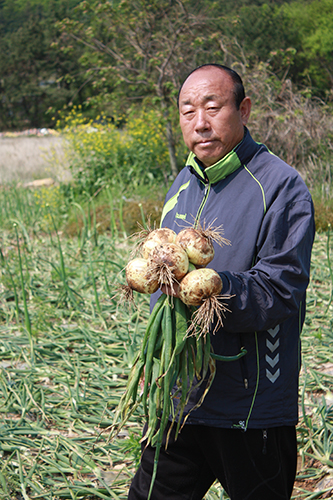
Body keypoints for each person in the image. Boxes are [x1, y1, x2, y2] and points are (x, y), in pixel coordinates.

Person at [128, 64, 315, 500]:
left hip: (250, 408)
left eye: (213, 107)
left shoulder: (281, 186)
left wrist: (211, 286)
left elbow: (281, 289)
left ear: (243, 109)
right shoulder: (183, 182)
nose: (200, 122)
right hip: (180, 403)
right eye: (188, 110)